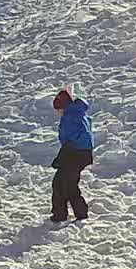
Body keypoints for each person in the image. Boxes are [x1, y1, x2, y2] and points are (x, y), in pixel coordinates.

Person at [50, 88, 93, 223]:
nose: (57, 113)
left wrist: (63, 155)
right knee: (62, 182)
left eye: (58, 109)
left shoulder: (70, 117)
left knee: (66, 184)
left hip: (75, 154)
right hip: (79, 153)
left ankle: (76, 213)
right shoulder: (77, 113)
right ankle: (62, 212)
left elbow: (73, 138)